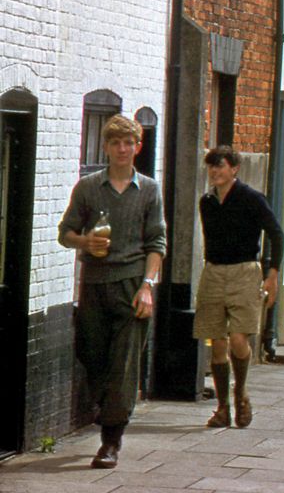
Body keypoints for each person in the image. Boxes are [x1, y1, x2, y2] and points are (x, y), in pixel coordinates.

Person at [58, 115, 166, 469]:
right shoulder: (88, 187)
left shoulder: (149, 189)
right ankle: (105, 409)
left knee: (124, 364)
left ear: (138, 147)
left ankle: (110, 441)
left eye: (128, 143)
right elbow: (66, 232)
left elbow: (157, 243)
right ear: (105, 147)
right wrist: (85, 241)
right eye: (115, 143)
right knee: (92, 356)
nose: (122, 149)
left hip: (132, 285)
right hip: (93, 282)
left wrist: (148, 287)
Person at [194, 146, 284, 429]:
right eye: (211, 167)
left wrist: (272, 275)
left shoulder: (252, 199)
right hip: (213, 272)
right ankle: (222, 408)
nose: (214, 172)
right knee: (217, 342)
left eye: (219, 166)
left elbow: (275, 233)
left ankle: (240, 392)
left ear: (234, 169)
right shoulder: (206, 202)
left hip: (245, 272)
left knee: (238, 339)